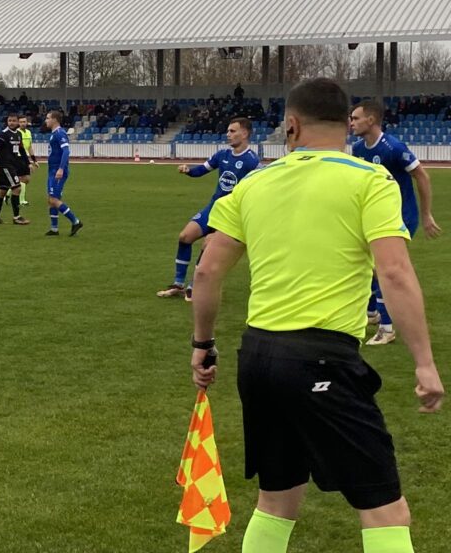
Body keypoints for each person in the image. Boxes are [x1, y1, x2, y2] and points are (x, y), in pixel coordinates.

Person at [190, 78, 443, 553]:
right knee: (387, 511)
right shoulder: (368, 180)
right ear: (345, 124)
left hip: (258, 357)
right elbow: (394, 271)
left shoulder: (256, 181)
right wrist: (425, 363)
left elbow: (206, 271)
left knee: (276, 501)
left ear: (291, 124)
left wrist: (202, 345)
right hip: (323, 360)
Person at [350, 100, 441, 345]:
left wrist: (426, 214)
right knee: (365, 264)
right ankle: (371, 313)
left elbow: (421, 175)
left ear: (371, 120)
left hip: (400, 216)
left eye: (356, 118)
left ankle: (387, 328)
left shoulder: (393, 147)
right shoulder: (358, 148)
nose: (352, 122)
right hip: (373, 215)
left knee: (382, 269)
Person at [157, 118, 258, 299]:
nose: (228, 134)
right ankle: (178, 284)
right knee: (185, 237)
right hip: (213, 208)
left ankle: (194, 286)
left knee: (208, 244)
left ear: (245, 133)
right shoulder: (222, 155)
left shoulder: (252, 162)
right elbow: (201, 170)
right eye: (228, 131)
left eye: (232, 131)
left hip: (230, 214)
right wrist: (188, 171)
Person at [44, 110, 82, 236]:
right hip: (52, 170)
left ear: (54, 119)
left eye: (48, 118)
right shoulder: (54, 133)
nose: (46, 120)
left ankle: (75, 221)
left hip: (57, 170)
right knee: (51, 199)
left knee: (54, 199)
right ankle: (54, 229)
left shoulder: (60, 133)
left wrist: (61, 168)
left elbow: (66, 151)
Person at [0, 113, 30, 225]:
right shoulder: (3, 134)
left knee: (2, 190)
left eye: (13, 120)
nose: (11, 122)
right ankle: (17, 217)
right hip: (6, 166)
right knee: (17, 188)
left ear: (17, 122)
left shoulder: (18, 134)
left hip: (13, 165)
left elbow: (21, 150)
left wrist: (28, 163)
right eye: (9, 120)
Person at [18, 116, 39, 205]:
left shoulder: (28, 132)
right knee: (24, 178)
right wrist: (28, 163)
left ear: (27, 122)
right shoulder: (17, 133)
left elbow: (29, 147)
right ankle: (21, 200)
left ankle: (8, 194)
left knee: (25, 180)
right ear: (18, 123)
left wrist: (34, 160)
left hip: (25, 157)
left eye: (24, 122)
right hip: (18, 157)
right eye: (21, 122)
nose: (23, 123)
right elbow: (20, 148)